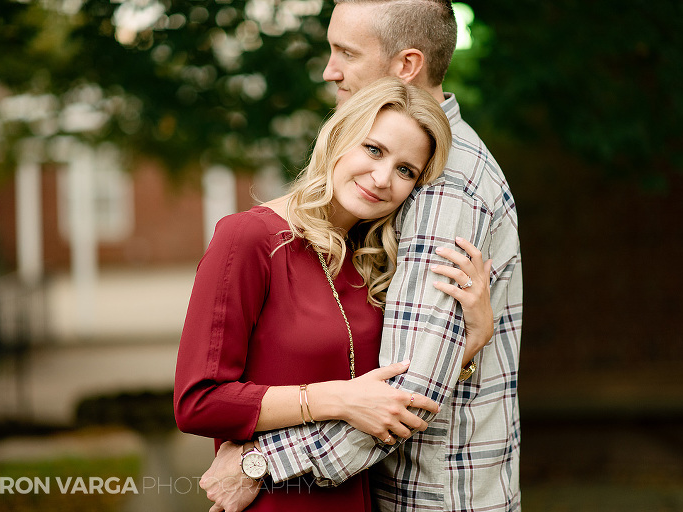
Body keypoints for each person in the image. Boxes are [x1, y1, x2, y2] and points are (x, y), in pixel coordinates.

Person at [198, 1, 523, 511]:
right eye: (371, 151)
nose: (330, 70)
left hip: (435, 498)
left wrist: (259, 462)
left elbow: (405, 390)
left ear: (407, 66)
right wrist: (465, 348)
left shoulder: (444, 186)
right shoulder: (306, 236)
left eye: (346, 52)